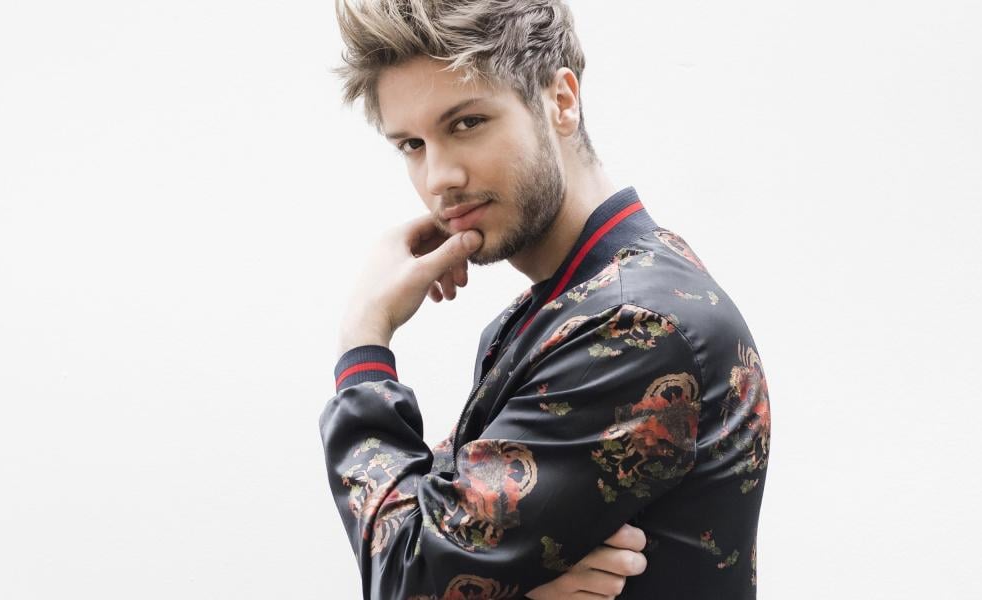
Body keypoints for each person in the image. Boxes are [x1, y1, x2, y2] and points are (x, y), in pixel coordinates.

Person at [317, 1, 771, 598]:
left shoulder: (634, 325)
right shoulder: (557, 313)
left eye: (467, 123)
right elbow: (438, 528)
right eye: (412, 145)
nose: (438, 177)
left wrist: (363, 338)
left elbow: (405, 569)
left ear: (561, 100)